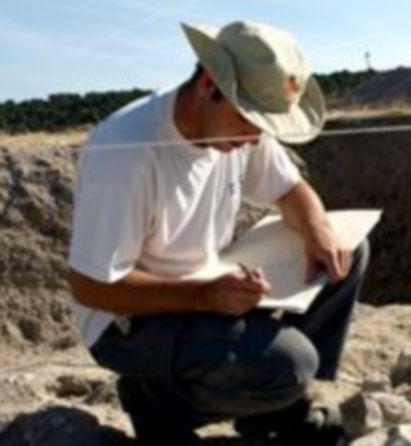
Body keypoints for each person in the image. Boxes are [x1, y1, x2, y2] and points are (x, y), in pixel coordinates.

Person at [66, 20, 368, 445]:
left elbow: (292, 189)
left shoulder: (238, 127)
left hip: (206, 288)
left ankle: (274, 410)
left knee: (346, 250)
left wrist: (317, 227)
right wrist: (203, 297)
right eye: (251, 123)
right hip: (131, 322)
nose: (254, 140)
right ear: (209, 85)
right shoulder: (126, 155)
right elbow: (91, 287)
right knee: (290, 363)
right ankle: (156, 402)